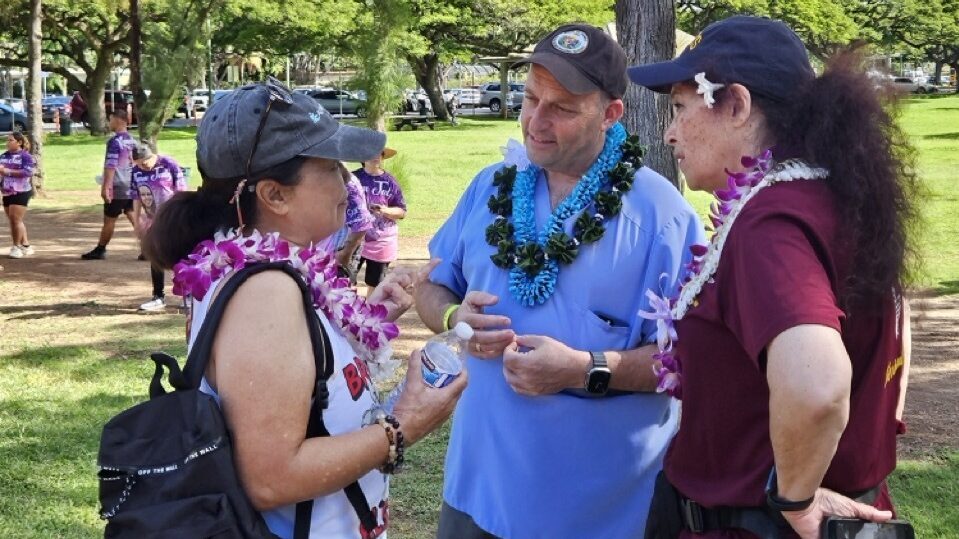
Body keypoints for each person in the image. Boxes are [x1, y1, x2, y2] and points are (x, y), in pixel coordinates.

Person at [627, 16, 918, 538]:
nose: (669, 132)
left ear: (736, 105)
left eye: (678, 108)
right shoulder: (838, 198)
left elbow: (818, 388)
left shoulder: (770, 224)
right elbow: (899, 329)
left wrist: (796, 499)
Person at [414, 24, 705, 538]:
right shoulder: (490, 186)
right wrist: (455, 317)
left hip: (600, 513)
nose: (536, 122)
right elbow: (430, 285)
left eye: (563, 108)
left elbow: (692, 361)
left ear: (611, 114)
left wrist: (584, 369)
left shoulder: (662, 217)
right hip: (477, 492)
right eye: (530, 98)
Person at [142, 78, 465, 538]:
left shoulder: (243, 263)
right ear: (274, 195)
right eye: (332, 167)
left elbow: (299, 381)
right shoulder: (265, 290)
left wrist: (364, 320)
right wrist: (403, 426)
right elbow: (271, 478)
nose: (348, 182)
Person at [129, 142, 187, 311]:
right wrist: (137, 220)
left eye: (145, 163)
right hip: (152, 219)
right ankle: (158, 296)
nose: (143, 167)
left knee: (179, 255)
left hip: (172, 217)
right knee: (155, 256)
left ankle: (187, 294)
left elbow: (181, 190)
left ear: (152, 156)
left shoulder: (168, 164)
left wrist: (180, 215)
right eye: (138, 164)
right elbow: (136, 196)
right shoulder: (136, 171)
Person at [81, 109, 137, 260]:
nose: (109, 122)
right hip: (132, 184)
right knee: (132, 215)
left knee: (110, 218)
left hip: (119, 185)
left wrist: (106, 186)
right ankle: (149, 248)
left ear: (119, 120)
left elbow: (111, 165)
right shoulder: (133, 140)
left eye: (111, 119)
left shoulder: (115, 141)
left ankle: (101, 249)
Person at [353, 148, 406, 288]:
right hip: (353, 239)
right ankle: (350, 308)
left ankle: (369, 309)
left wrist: (385, 210)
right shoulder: (352, 179)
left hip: (381, 242)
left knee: (375, 284)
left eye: (379, 153)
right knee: (345, 280)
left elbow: (402, 211)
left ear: (382, 157)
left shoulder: (390, 182)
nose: (375, 156)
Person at [320, 162, 374, 284]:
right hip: (319, 252)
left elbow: (362, 222)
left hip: (338, 251)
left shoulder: (346, 181)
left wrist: (344, 253)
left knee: (337, 295)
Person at [1, 132, 36, 259]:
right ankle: (26, 245)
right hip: (6, 191)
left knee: (15, 219)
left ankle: (16, 247)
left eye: (11, 140)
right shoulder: (3, 156)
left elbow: (28, 172)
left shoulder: (26, 157)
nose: (8, 143)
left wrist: (7, 171)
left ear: (19, 142)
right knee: (14, 220)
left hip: (21, 191)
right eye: (8, 140)